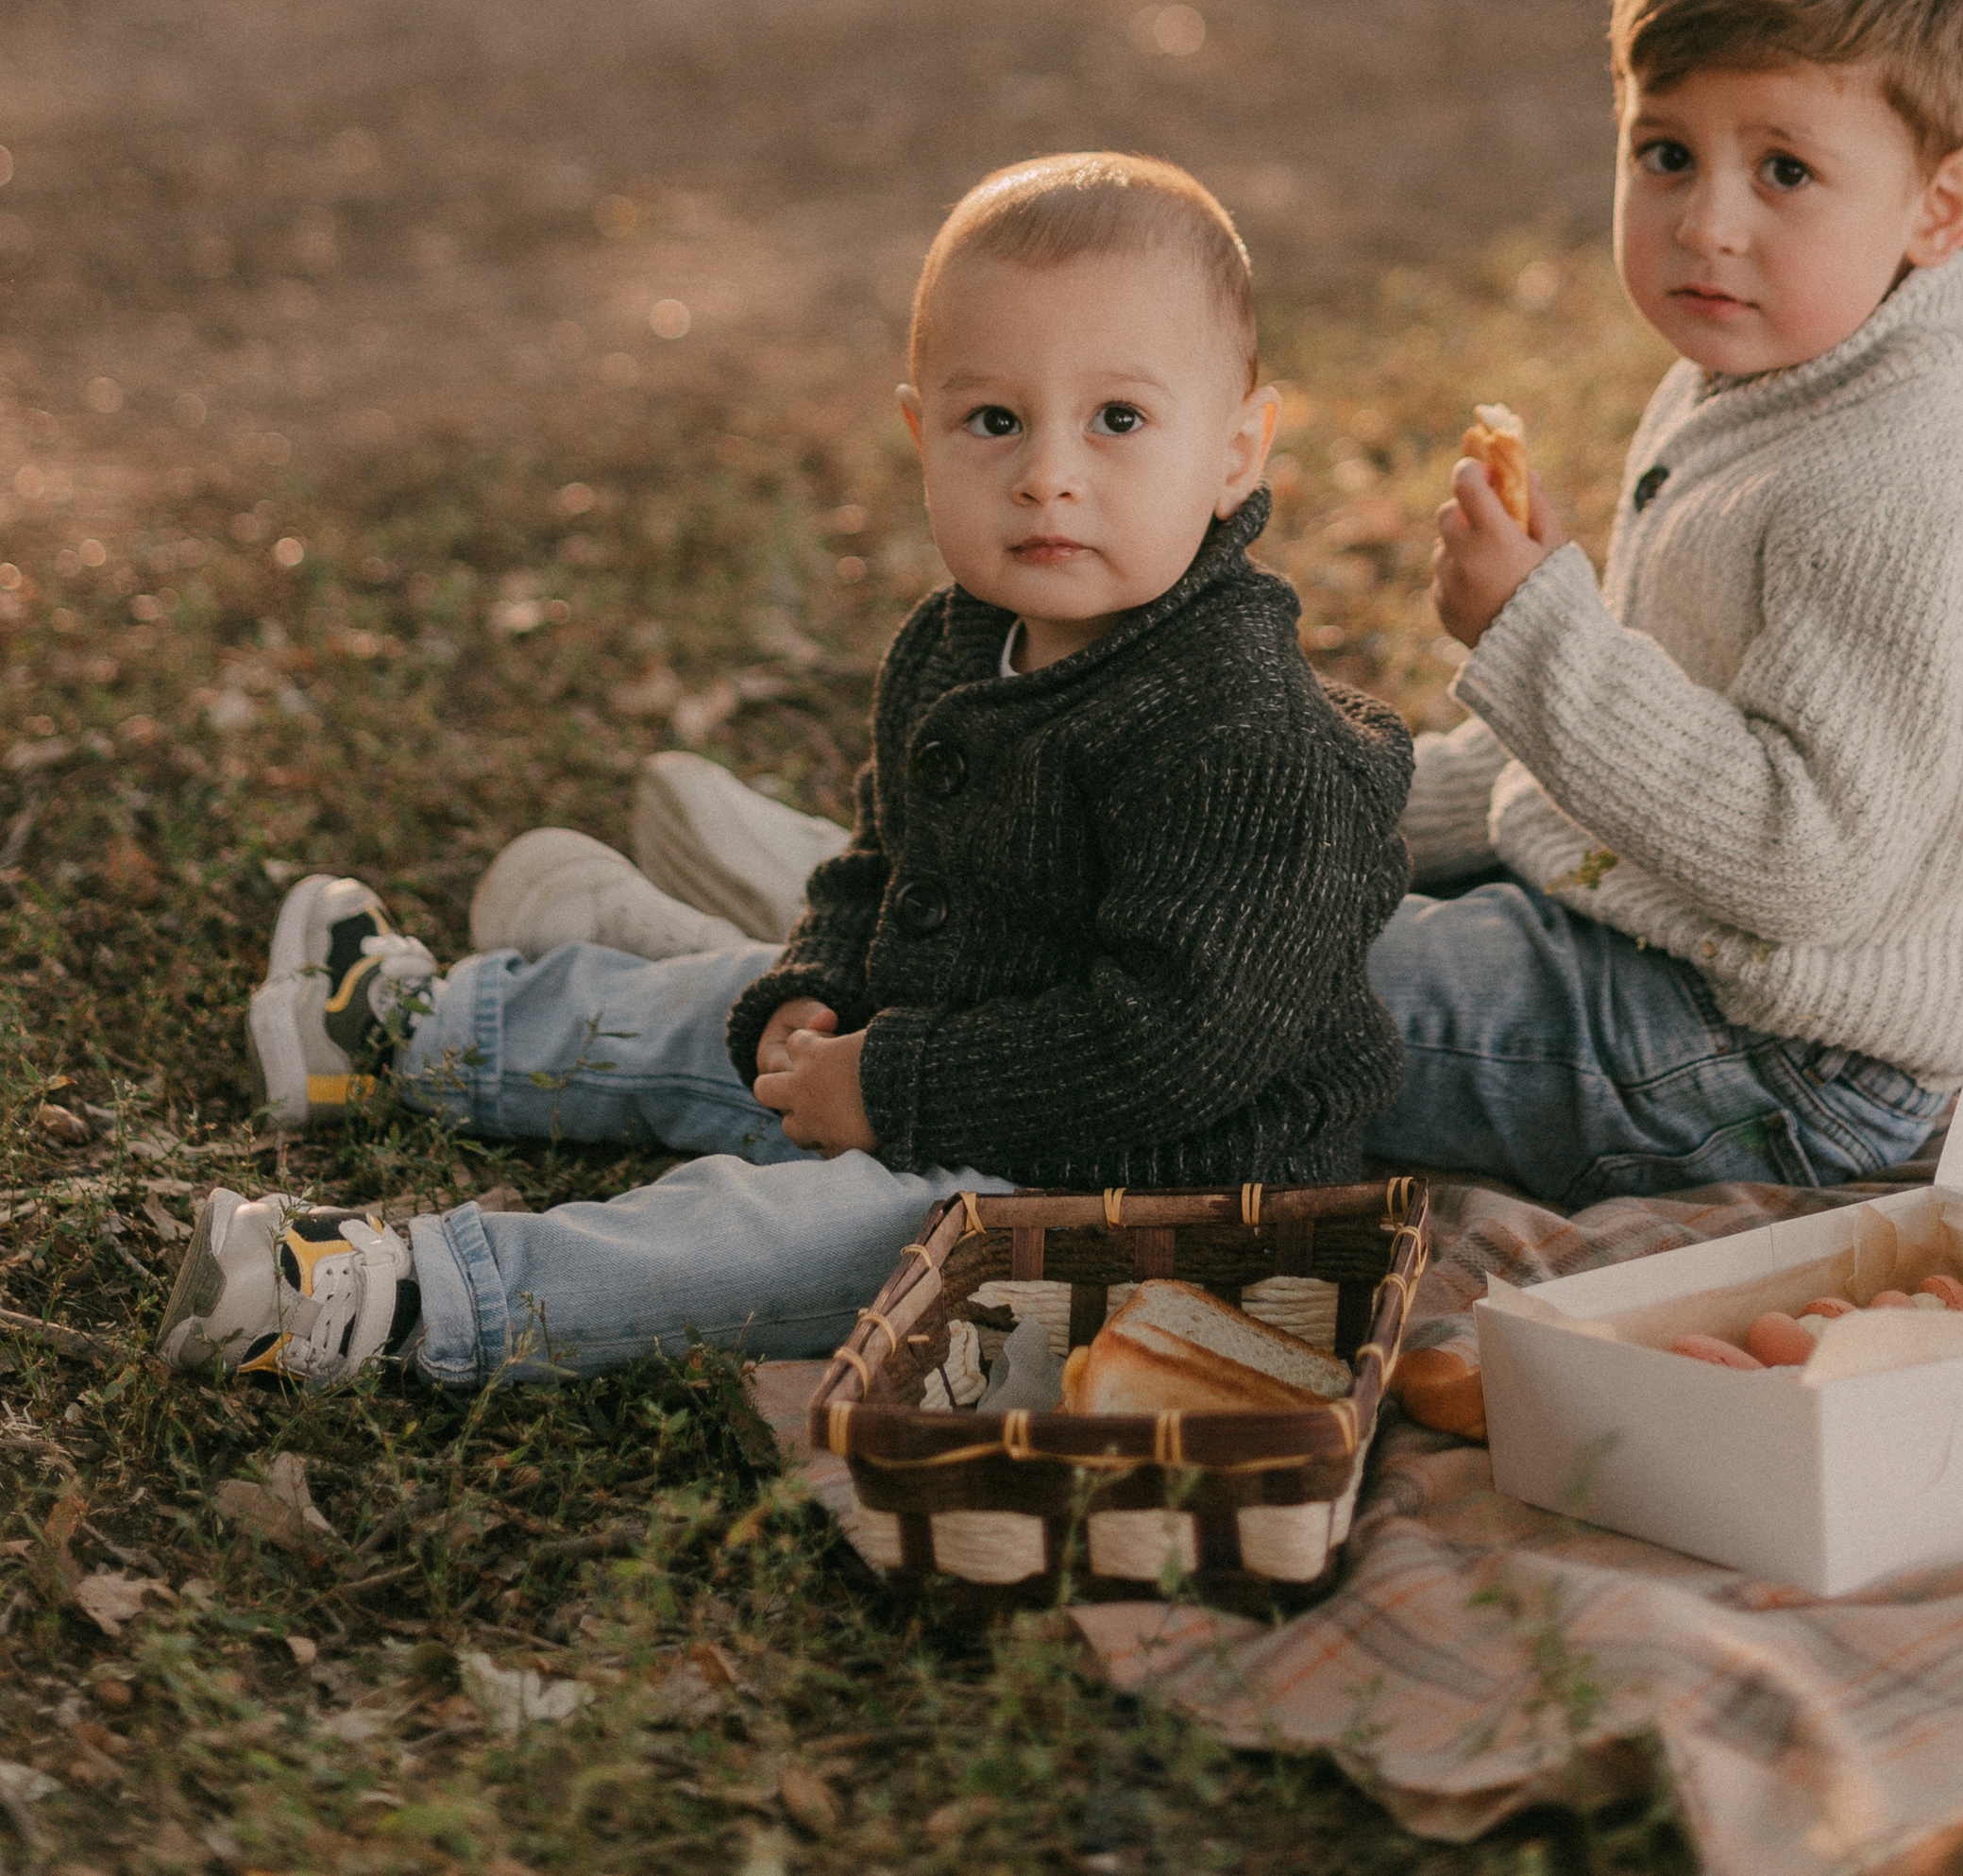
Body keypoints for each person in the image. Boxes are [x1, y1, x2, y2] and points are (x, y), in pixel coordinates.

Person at [159, 154, 1413, 1394]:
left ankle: (404, 1294)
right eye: (996, 420)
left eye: (1119, 419)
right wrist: (815, 987)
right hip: (952, 1056)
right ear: (923, 432)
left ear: (1240, 449)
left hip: (1148, 1207)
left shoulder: (1246, 735)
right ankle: (405, 1033)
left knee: (790, 1234)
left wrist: (893, 1082)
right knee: (715, 1003)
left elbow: (1175, 1048)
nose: (1048, 471)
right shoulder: (959, 642)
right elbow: (878, 863)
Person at [1362, 0, 1963, 1204]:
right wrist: (1338, 818)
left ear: (1938, 207)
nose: (1708, 223)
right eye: (1667, 153)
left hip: (1791, 1067)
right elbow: (1640, 751)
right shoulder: (1780, 372)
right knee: (1248, 885)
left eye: (1785, 169)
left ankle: (933, 1064)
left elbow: (1795, 859)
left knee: (1260, 984)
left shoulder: (1906, 477)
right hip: (1684, 959)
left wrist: (1537, 636)